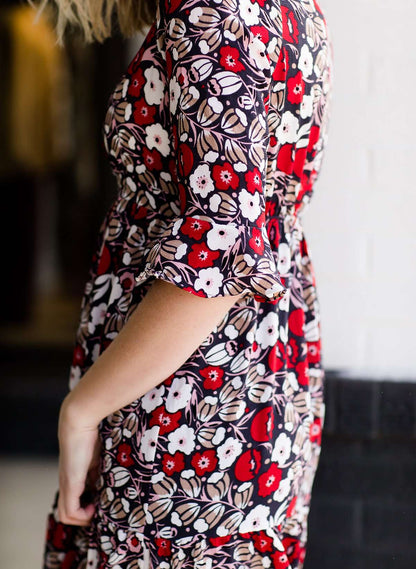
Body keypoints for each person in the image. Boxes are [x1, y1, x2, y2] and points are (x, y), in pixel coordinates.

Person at [32, 0, 333, 567]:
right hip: (241, 385)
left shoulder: (212, 12)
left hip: (190, 409)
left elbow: (216, 260)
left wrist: (82, 410)